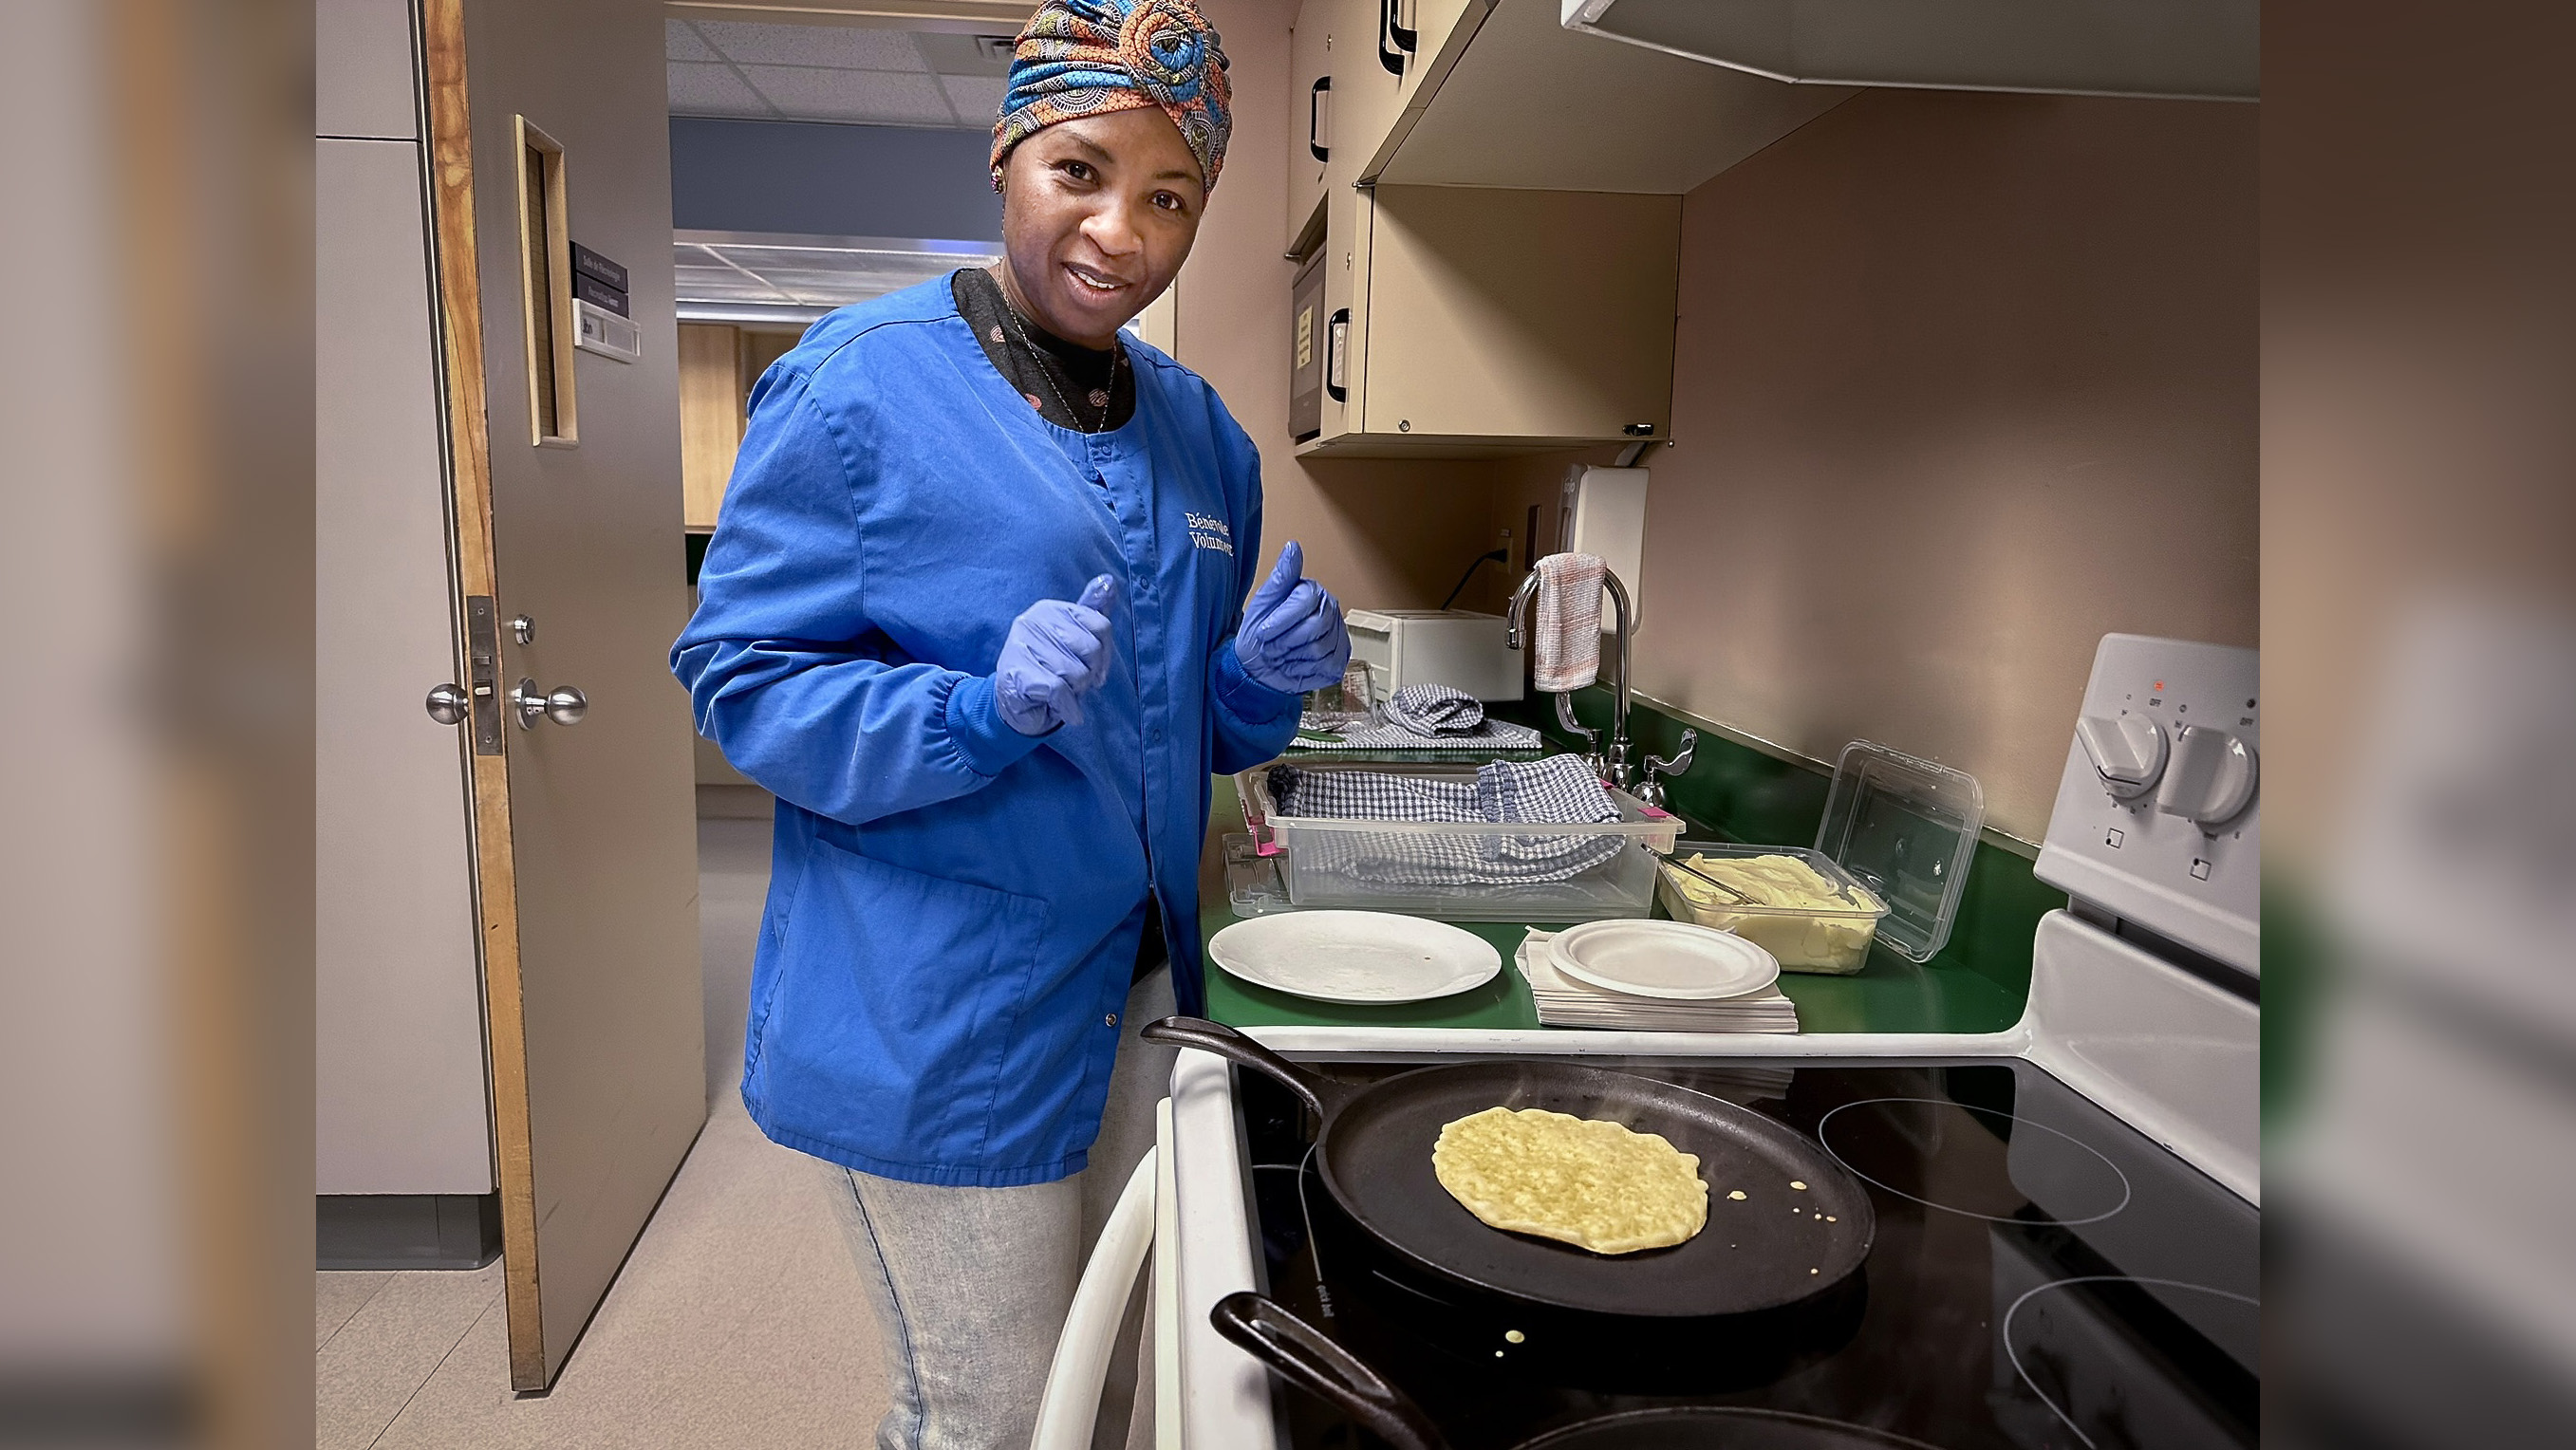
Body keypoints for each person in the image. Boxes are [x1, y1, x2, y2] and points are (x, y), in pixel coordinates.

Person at [671, 2, 1351, 1444]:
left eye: (1170, 199)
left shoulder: (1205, 437)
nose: (1120, 232)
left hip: (1144, 993)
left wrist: (1248, 688)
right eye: (1079, 173)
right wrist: (973, 711)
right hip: (941, 1009)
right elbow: (743, 682)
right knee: (988, 1411)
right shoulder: (856, 387)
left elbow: (1172, 735)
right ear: (1007, 158)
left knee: (1108, 1377)